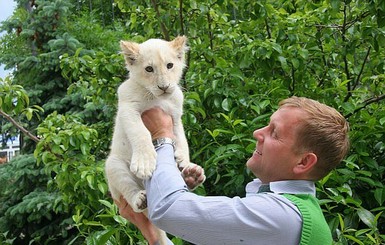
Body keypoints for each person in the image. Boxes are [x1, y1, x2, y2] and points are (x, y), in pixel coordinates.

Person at [114, 96, 350, 245]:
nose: (258, 133)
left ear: (303, 162)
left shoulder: (283, 217)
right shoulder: (290, 213)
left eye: (274, 133)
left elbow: (169, 209)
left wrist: (162, 135)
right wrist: (154, 236)